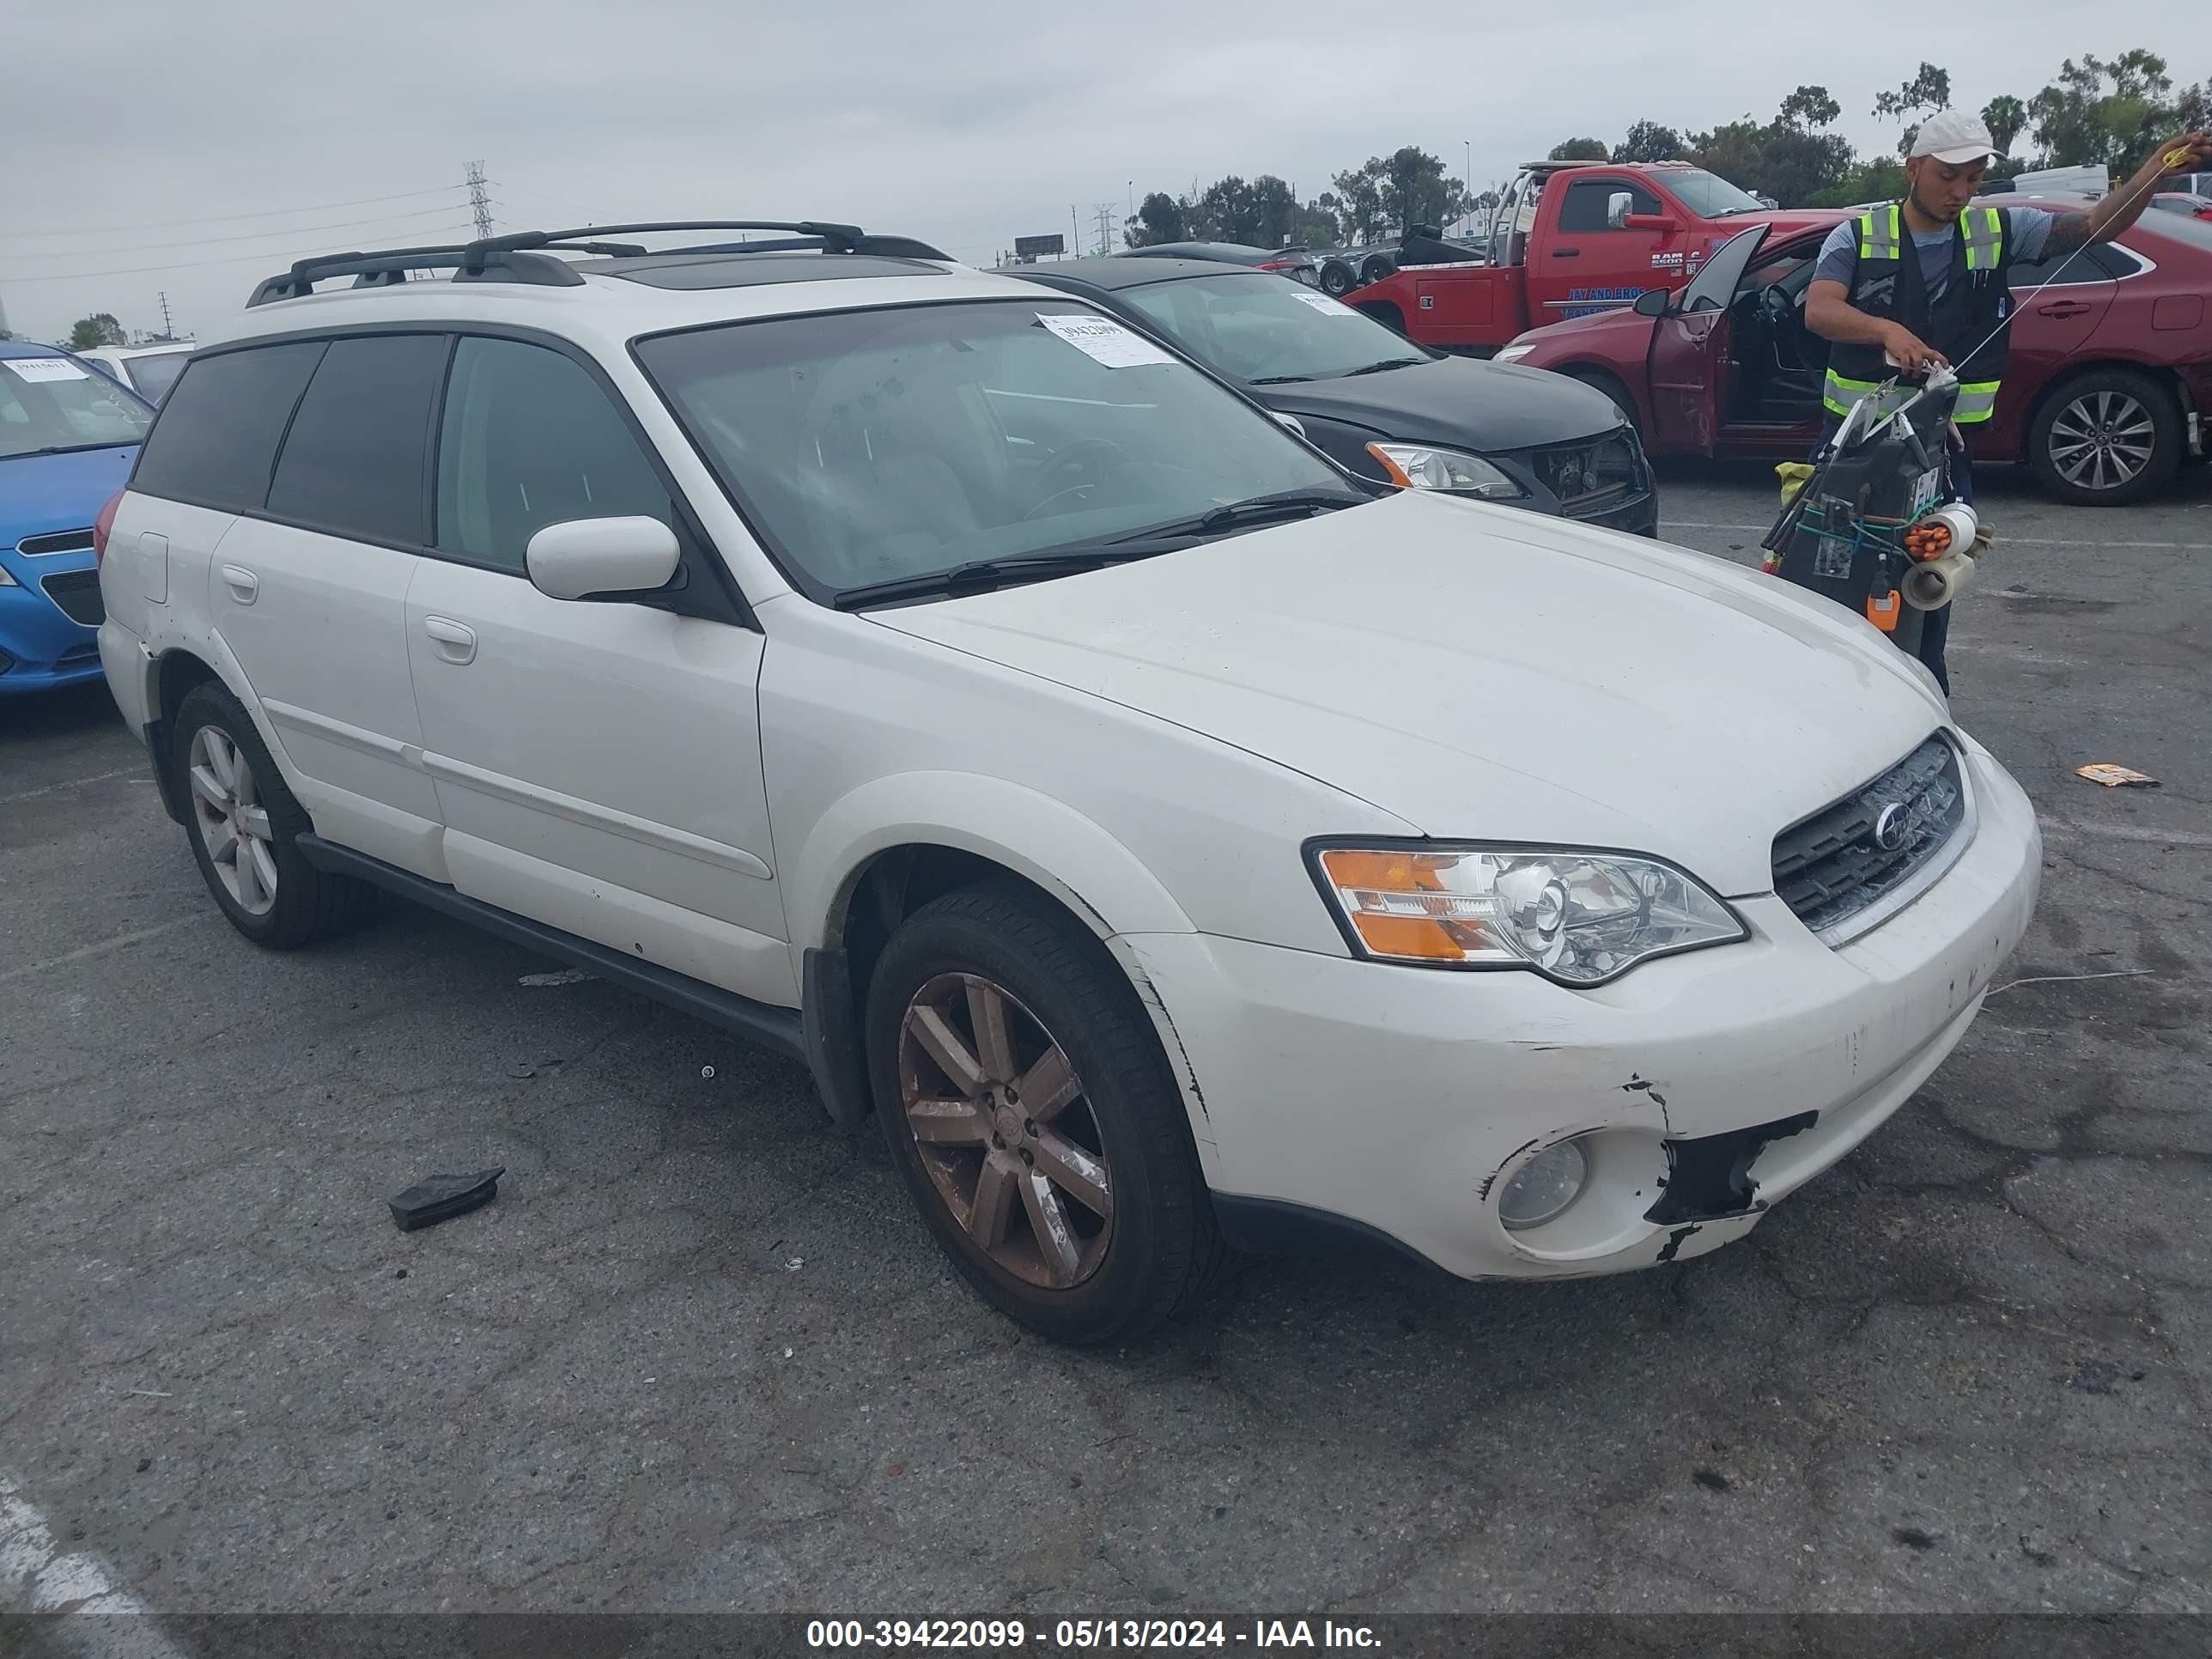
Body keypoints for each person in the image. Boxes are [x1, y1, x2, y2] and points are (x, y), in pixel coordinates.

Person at [1803, 112, 2212, 693]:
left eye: (1972, 178)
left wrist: (2153, 170)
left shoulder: (1998, 230)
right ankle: (1837, 698)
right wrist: (1885, 331)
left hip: (1942, 458)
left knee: (1929, 587)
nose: (1961, 192)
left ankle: (1924, 697)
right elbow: (1819, 310)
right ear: (1914, 168)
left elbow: (2098, 227)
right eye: (1948, 176)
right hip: (1853, 453)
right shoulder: (1859, 236)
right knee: (1834, 583)